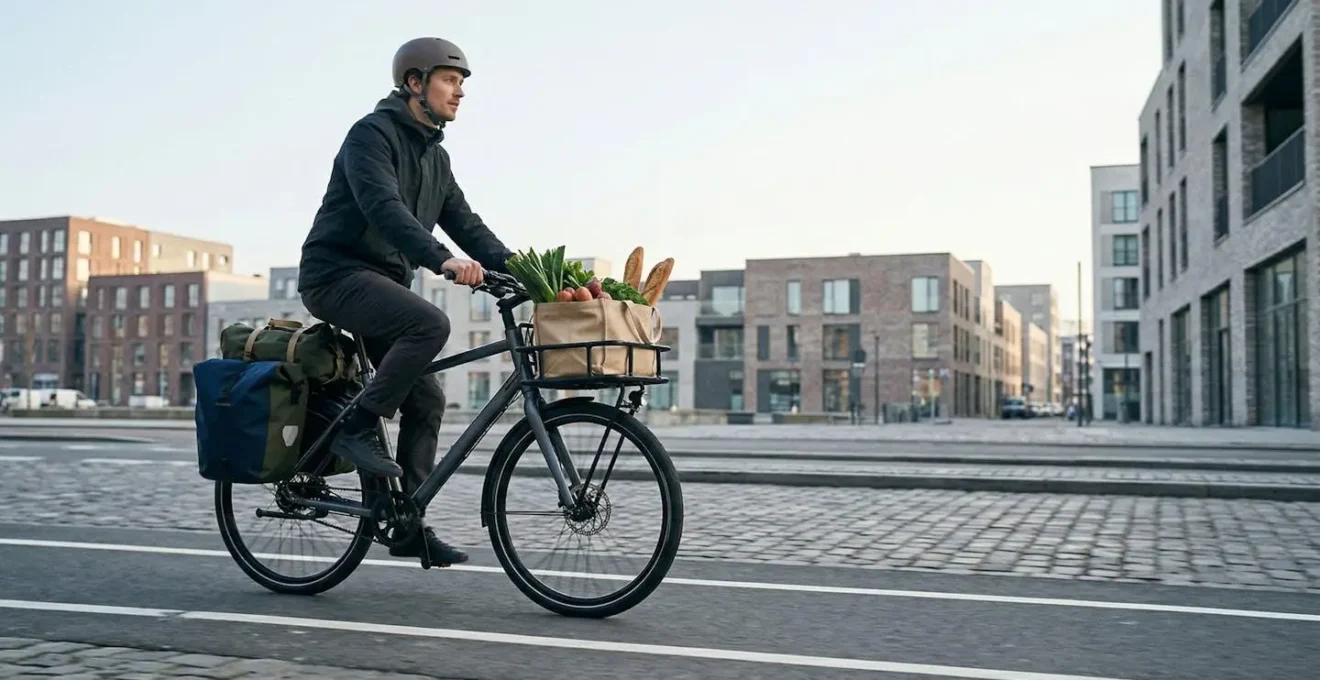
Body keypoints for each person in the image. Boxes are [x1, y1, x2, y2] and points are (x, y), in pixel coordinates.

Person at [297, 37, 517, 566]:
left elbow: (469, 225)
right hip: (336, 275)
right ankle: (354, 429)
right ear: (414, 83)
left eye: (462, 83)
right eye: (449, 80)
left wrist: (526, 273)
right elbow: (383, 207)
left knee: (428, 399)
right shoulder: (370, 136)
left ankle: (405, 524)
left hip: (383, 287)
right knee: (429, 323)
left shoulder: (436, 157)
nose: (459, 92)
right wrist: (442, 259)